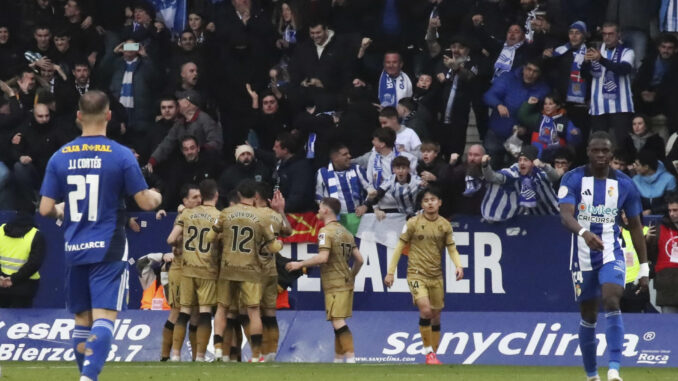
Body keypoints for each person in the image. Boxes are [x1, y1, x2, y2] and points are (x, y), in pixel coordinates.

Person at [38, 90, 161, 381]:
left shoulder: (60, 156)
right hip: (108, 245)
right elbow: (144, 202)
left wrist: (62, 211)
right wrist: (156, 196)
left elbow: (44, 209)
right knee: (104, 317)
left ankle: (85, 376)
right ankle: (88, 378)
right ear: (108, 116)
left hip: (75, 246)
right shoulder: (120, 155)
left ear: (79, 117)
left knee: (82, 320)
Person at [558, 130, 649, 381]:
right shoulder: (572, 179)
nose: (600, 155)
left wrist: (644, 268)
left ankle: (614, 370)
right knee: (588, 314)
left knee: (611, 299)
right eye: (595, 150)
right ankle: (591, 376)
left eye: (605, 151)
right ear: (588, 152)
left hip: (611, 251)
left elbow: (636, 226)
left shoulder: (625, 185)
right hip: (582, 254)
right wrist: (585, 233)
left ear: (612, 154)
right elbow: (566, 216)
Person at [384, 187, 464, 365]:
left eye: (433, 200)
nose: (429, 203)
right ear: (422, 204)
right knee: (426, 310)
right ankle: (429, 353)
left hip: (436, 276)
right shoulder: (412, 223)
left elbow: (451, 248)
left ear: (439, 203)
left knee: (436, 315)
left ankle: (433, 355)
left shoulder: (444, 225)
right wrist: (391, 271)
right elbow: (399, 247)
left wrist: (458, 265)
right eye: (426, 200)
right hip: (416, 274)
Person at [208, 179, 283, 363]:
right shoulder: (262, 217)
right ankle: (257, 355)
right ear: (255, 196)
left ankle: (218, 349)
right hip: (250, 270)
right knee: (254, 312)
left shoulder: (226, 213)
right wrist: (278, 244)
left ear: (239, 195)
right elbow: (273, 247)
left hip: (228, 268)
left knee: (222, 309)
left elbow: (211, 237)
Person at [286, 197, 364, 363]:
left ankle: (351, 359)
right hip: (345, 282)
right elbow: (360, 260)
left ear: (327, 210)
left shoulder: (325, 232)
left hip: (334, 283)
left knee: (338, 321)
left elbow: (323, 257)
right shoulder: (346, 232)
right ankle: (338, 359)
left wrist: (300, 264)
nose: (318, 211)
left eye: (320, 208)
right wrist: (352, 275)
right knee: (337, 321)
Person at [166, 179, 220, 362]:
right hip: (207, 269)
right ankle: (200, 356)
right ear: (216, 195)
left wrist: (180, 247)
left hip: (187, 269)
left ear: (202, 196)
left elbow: (171, 239)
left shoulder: (187, 214)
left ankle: (175, 355)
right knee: (205, 312)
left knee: (185, 311)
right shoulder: (219, 216)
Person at [159, 183, 202, 362]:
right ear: (185, 201)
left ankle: (194, 357)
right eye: (194, 197)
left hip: (196, 269)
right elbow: (171, 239)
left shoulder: (199, 215)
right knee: (177, 311)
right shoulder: (184, 215)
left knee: (196, 313)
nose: (199, 200)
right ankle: (166, 355)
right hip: (180, 269)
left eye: (200, 196)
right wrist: (178, 245)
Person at [253, 184, 292, 362]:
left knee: (253, 313)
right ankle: (271, 354)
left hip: (253, 270)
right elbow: (288, 231)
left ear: (255, 197)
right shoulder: (274, 216)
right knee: (269, 313)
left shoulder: (251, 216)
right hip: (271, 270)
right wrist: (281, 211)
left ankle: (258, 354)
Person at [584, 22, 635, 146]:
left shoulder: (627, 52)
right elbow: (585, 76)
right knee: (599, 144)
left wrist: (600, 59)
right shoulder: (595, 51)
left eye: (611, 34)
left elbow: (623, 69)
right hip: (598, 106)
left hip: (620, 106)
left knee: (623, 143)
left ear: (619, 35)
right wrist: (585, 63)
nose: (607, 37)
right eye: (604, 34)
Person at [480, 145, 560, 222]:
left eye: (525, 160)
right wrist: (485, 166)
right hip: (535, 218)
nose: (521, 163)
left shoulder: (540, 172)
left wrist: (543, 166)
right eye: (520, 159)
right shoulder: (515, 172)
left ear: (533, 162)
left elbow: (555, 177)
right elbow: (492, 177)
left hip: (555, 215)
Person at [0, 211, 45, 308]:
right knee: (21, 319)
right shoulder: (36, 235)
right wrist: (13, 279)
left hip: (1, 284)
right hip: (25, 287)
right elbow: (34, 264)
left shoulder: (1, 230)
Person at [315, 143, 370, 218]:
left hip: (358, 217)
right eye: (345, 154)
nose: (349, 156)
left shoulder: (357, 169)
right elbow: (318, 196)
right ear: (335, 158)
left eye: (349, 153)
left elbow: (371, 190)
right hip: (334, 219)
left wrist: (365, 206)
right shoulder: (322, 173)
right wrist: (327, 211)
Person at [647, 193, 678, 313]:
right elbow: (649, 256)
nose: (672, 214)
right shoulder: (659, 228)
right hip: (667, 287)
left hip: (667, 284)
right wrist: (648, 240)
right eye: (670, 210)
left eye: (675, 210)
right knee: (669, 327)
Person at [632, 149, 677, 215]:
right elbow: (633, 202)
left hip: (665, 218)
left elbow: (672, 202)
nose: (634, 166)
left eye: (637, 164)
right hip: (641, 218)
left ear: (646, 167)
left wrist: (652, 211)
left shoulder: (669, 179)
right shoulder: (635, 180)